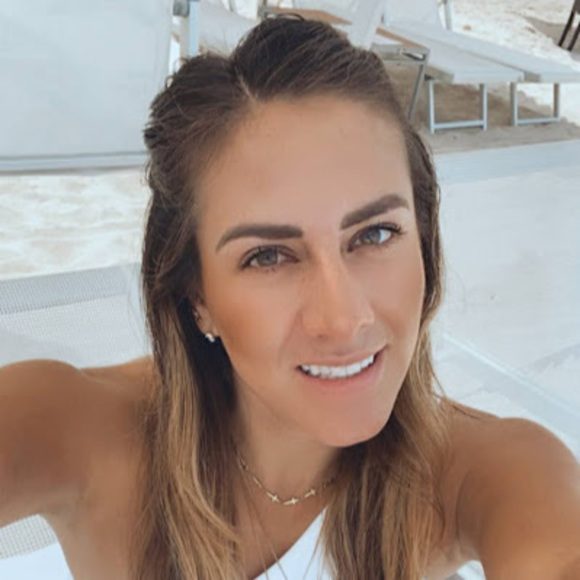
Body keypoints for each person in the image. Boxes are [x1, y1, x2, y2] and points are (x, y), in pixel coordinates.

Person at [1, 14, 579, 580]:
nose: (344, 319)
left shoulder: (486, 473)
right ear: (197, 295)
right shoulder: (78, 430)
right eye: (268, 257)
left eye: (376, 234)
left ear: (424, 241)